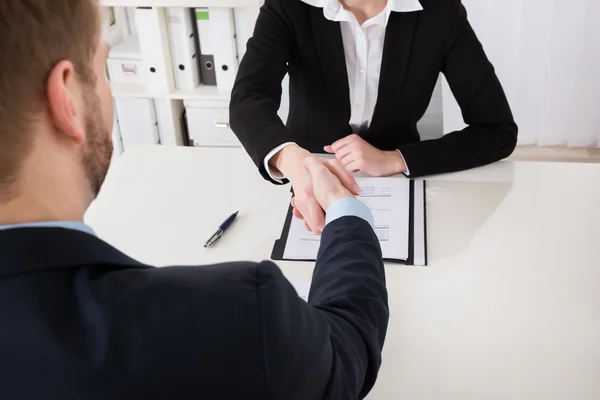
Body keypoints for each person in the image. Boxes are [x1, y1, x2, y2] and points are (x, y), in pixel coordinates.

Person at [0, 1, 388, 399]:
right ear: (68, 99)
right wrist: (346, 211)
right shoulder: (239, 314)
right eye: (103, 70)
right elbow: (345, 353)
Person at [230, 0, 518, 234]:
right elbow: (248, 100)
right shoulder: (288, 5)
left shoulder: (441, 11)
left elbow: (497, 130)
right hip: (308, 176)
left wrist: (394, 158)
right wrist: (294, 161)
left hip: (399, 181)